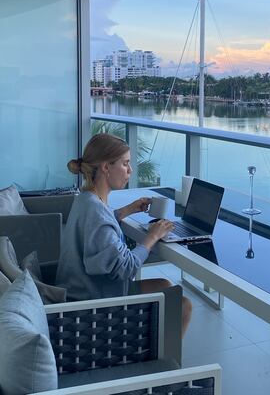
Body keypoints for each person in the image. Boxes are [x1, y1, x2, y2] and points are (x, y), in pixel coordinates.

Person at [56, 133, 192, 335]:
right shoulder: (96, 214)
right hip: (95, 307)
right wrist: (151, 237)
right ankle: (161, 360)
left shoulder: (85, 199)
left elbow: (99, 227)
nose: (130, 170)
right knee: (184, 306)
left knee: (164, 284)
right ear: (106, 167)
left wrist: (126, 211)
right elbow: (126, 267)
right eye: (125, 163)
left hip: (84, 290)